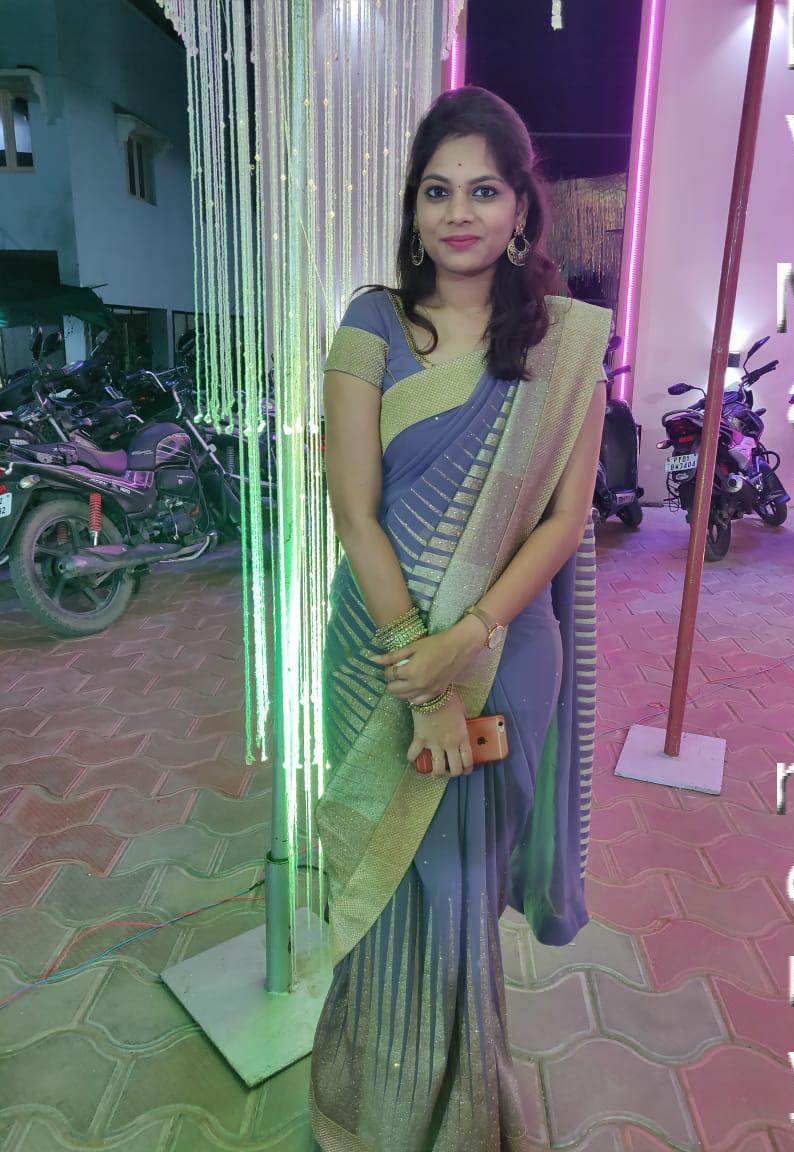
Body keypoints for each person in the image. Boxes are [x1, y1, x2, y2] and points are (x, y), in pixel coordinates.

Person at [309, 85, 610, 1152]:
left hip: (504, 656)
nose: (459, 212)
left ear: (521, 207)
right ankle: (373, 1106)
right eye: (437, 191)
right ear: (414, 207)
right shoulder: (372, 324)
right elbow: (355, 510)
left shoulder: (564, 345)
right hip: (381, 655)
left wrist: (467, 641)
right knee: (387, 887)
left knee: (461, 899)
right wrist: (419, 670)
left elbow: (567, 518)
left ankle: (461, 1112)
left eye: (484, 190)